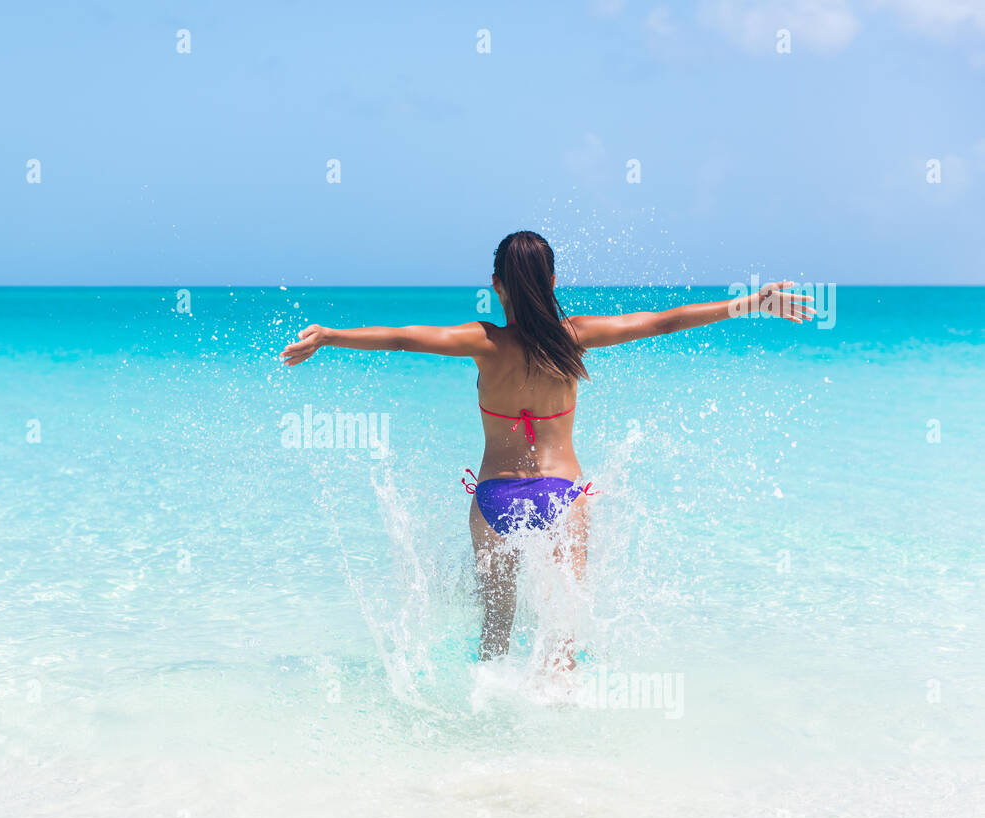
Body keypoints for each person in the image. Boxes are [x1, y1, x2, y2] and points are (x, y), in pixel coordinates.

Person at [281, 230, 814, 662]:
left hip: (494, 500)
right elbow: (665, 322)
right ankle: (561, 747)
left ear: (496, 285)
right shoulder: (574, 336)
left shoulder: (483, 342)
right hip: (562, 496)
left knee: (495, 628)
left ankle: (484, 728)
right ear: (554, 279)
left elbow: (401, 337)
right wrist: (753, 302)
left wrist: (328, 335)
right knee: (563, 633)